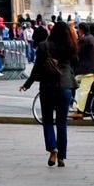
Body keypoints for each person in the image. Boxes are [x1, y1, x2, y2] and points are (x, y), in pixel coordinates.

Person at [23, 20, 76, 167]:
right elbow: (75, 63)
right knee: (62, 123)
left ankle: (53, 148)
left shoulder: (43, 46)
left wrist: (27, 85)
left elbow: (37, 68)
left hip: (48, 86)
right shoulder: (70, 46)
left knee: (47, 120)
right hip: (65, 86)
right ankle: (62, 157)